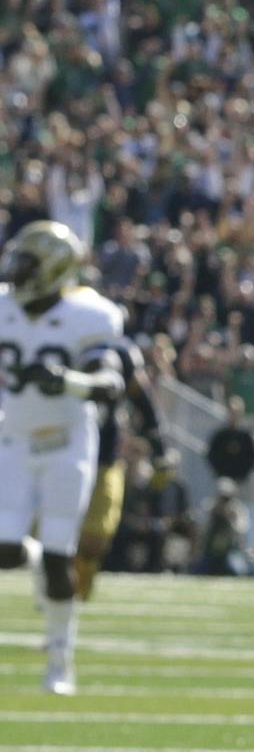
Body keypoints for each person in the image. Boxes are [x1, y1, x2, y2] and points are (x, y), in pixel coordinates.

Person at [0, 222, 125, 693]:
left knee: (59, 554)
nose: (15, 271)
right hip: (12, 437)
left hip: (67, 441)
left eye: (26, 263)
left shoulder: (89, 315)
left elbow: (109, 381)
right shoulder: (4, 306)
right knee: (5, 549)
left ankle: (59, 661)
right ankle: (30, 557)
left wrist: (69, 381)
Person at [75, 336, 166, 600]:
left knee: (97, 537)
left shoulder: (119, 350)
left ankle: (74, 597)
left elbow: (143, 401)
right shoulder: (53, 335)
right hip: (59, 450)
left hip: (105, 456)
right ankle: (58, 592)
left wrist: (159, 446)